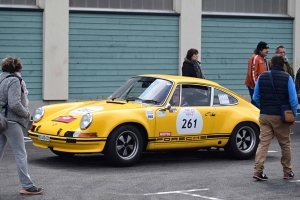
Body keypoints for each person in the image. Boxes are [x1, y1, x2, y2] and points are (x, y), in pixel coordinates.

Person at [0, 56, 44, 195]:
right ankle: (27, 185)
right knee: (20, 154)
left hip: (1, 119)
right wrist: (26, 114)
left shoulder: (1, 78)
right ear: (18, 67)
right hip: (11, 121)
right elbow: (14, 103)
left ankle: (27, 184)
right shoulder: (14, 80)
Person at [252, 54, 298, 181]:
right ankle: (287, 171)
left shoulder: (262, 77)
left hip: (265, 115)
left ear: (271, 64)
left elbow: (255, 97)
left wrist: (264, 106)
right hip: (281, 116)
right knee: (285, 144)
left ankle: (258, 170)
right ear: (283, 65)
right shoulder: (287, 78)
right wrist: (293, 115)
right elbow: (293, 100)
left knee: (263, 143)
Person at [272, 45, 295, 134]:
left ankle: (287, 128)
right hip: (278, 89)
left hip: (287, 88)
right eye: (280, 52)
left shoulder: (287, 63)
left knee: (287, 109)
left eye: (284, 52)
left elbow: (291, 75)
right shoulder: (273, 62)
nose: (282, 54)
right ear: (277, 53)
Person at [244, 41, 269, 107]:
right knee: (257, 105)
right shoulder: (255, 58)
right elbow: (252, 74)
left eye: (268, 48)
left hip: (260, 86)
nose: (268, 50)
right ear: (260, 50)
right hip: (255, 87)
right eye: (266, 48)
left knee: (258, 105)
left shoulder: (263, 59)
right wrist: (256, 87)